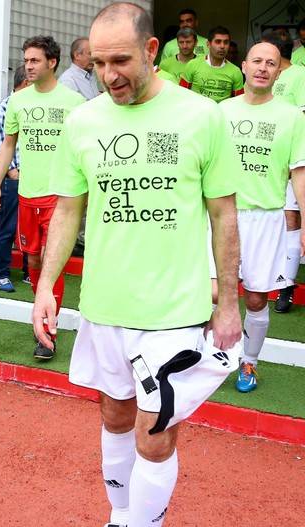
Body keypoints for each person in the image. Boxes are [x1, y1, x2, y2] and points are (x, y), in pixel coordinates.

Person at [33, 3, 241, 526]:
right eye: (99, 64)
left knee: (155, 428)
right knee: (115, 414)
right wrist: (45, 287)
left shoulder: (202, 115)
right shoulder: (84, 121)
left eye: (121, 60)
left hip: (173, 310)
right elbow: (68, 209)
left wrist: (229, 304)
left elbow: (224, 214)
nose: (109, 76)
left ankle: (141, 524)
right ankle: (121, 515)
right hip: (104, 305)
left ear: (152, 51)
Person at [0, 35, 85, 360]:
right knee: (33, 263)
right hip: (27, 195)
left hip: (58, 197)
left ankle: (47, 334)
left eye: (35, 61)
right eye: (26, 60)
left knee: (50, 265)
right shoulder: (18, 101)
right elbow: (8, 144)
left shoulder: (73, 102)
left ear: (52, 62)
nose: (28, 66)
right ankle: (42, 311)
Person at [219, 42, 305, 391]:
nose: (263, 67)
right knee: (212, 293)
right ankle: (211, 358)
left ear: (278, 71)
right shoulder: (221, 111)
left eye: (271, 63)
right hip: (222, 216)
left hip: (265, 218)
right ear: (244, 66)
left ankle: (249, 364)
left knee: (255, 297)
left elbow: (299, 171)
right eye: (257, 61)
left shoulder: (292, 116)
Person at [261, 31, 305, 312]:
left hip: (292, 154)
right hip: (266, 154)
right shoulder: (266, 75)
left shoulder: (300, 74)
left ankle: (286, 284)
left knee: (291, 215)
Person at [0, 65, 30, 292]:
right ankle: (1, 273)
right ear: (26, 83)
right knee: (8, 226)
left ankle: (29, 272)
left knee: (31, 227)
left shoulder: (32, 108)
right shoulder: (3, 109)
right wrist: (14, 173)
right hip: (14, 179)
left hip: (34, 178)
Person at [180, 26, 244, 102]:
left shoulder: (235, 71)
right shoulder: (192, 65)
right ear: (208, 44)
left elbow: (239, 101)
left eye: (226, 42)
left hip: (221, 113)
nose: (222, 46)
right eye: (218, 42)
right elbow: (181, 94)